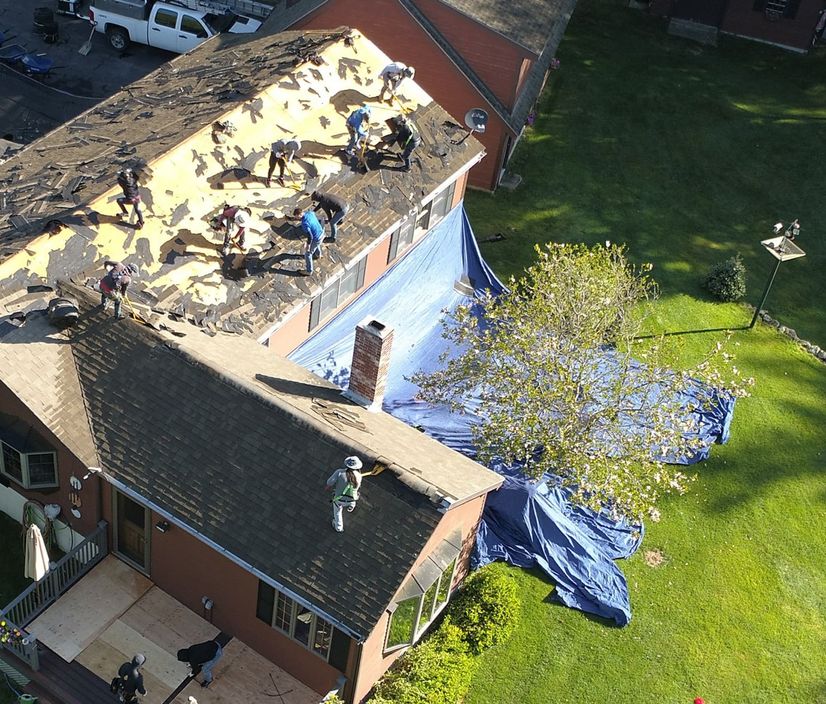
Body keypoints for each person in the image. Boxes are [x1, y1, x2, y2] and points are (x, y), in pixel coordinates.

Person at [325, 456, 363, 533]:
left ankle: (339, 528)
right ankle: (351, 506)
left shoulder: (339, 472)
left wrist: (328, 487)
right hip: (352, 499)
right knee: (355, 495)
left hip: (339, 499)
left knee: (338, 513)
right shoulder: (359, 476)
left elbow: (329, 482)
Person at [294, 207, 324, 276]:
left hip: (316, 238)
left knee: (308, 253)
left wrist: (308, 245)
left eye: (297, 217)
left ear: (299, 215)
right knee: (316, 244)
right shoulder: (310, 213)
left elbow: (310, 236)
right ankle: (318, 255)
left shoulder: (305, 223)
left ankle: (309, 271)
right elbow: (313, 215)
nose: (297, 219)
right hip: (321, 233)